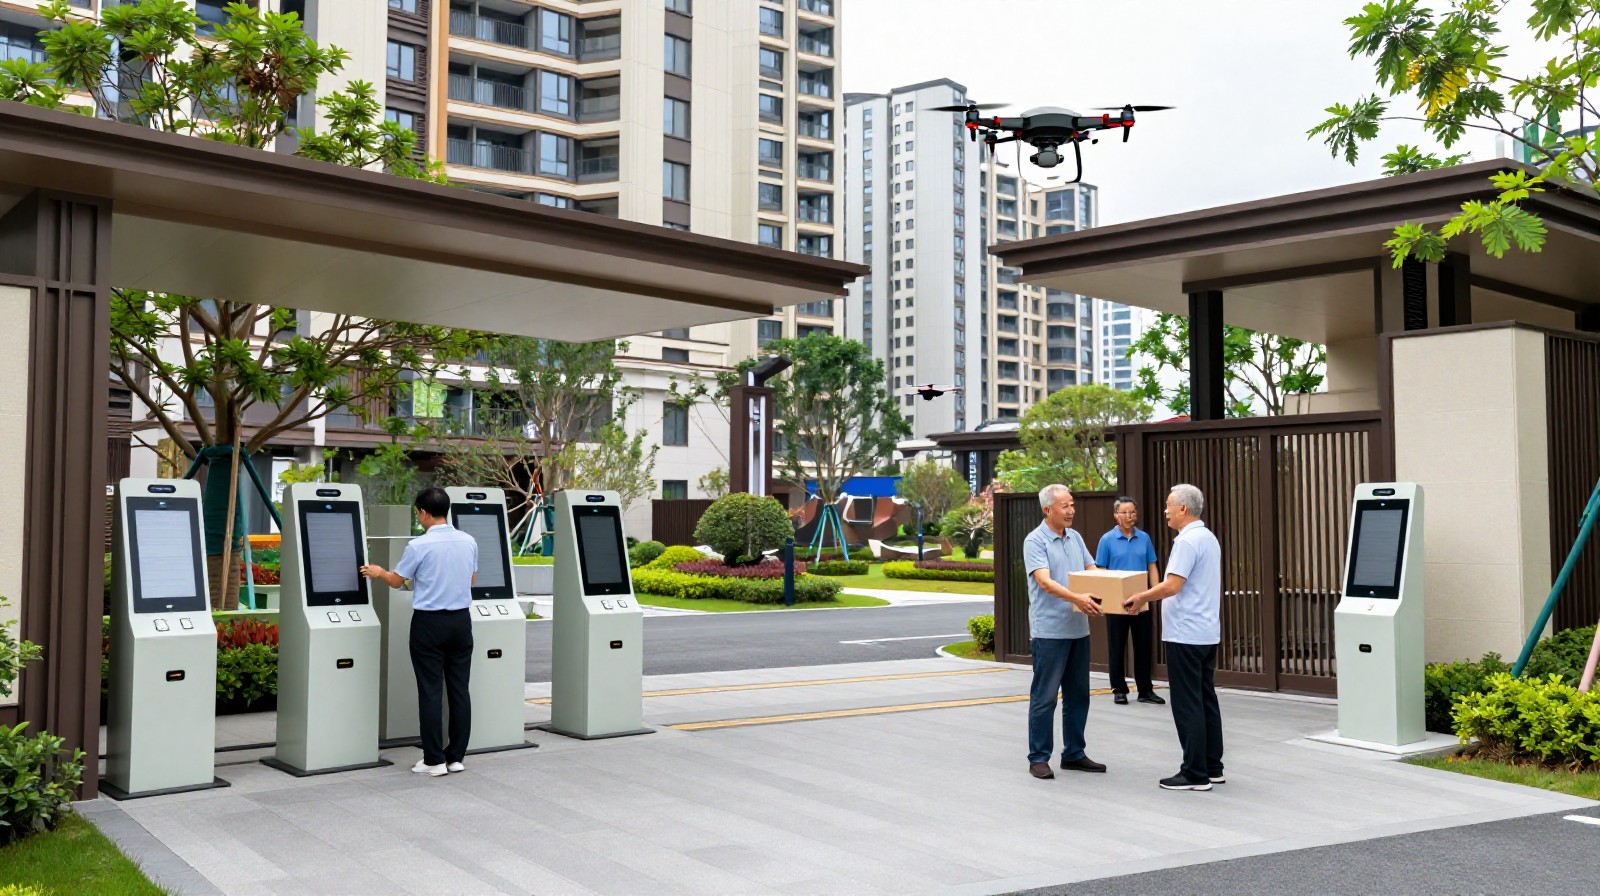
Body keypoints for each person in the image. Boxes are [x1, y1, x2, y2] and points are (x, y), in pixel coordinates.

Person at [360, 487, 477, 778]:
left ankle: (433, 759)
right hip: (461, 622)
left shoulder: (419, 545)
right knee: (459, 690)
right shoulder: (468, 541)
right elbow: (470, 579)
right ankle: (456, 757)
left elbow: (397, 581)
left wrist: (377, 571)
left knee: (431, 690)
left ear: (424, 512)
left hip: (429, 624)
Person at [1124, 483, 1223, 791]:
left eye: (1169, 505)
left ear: (1183, 509)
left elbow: (1172, 585)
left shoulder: (1187, 542)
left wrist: (1141, 597)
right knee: (1206, 699)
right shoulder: (1208, 538)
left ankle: (1194, 773)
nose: (1165, 510)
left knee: (1187, 703)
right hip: (1206, 632)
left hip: (1186, 633)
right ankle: (1212, 765)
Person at [1022, 484, 1106, 780]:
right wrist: (1077, 598)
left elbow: (1091, 569)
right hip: (1049, 633)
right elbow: (1044, 582)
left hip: (1078, 630)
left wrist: (1112, 589)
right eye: (1065, 506)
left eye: (1072, 505)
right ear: (1048, 510)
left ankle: (1074, 753)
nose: (1071, 511)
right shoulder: (1035, 541)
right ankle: (1039, 758)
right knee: (1045, 698)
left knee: (1079, 696)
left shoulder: (1076, 538)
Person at [1095, 497, 1164, 706]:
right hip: (1117, 602)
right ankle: (1119, 689)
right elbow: (1100, 570)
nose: (1130, 516)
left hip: (1141, 599)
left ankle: (1145, 689)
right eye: (1125, 512)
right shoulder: (1106, 540)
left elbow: (1152, 566)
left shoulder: (1144, 538)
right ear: (1116, 515)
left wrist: (1154, 593)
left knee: (1143, 646)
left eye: (1133, 512)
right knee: (1117, 646)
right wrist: (1105, 599)